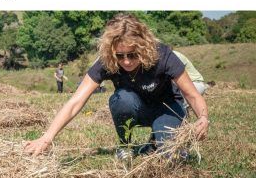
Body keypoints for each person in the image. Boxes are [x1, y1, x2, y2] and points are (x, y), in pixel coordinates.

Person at [24, 14, 209, 160]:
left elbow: (192, 94)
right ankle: (125, 146)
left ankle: (156, 141)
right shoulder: (107, 61)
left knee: (171, 156)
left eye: (132, 54)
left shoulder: (162, 55)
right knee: (122, 99)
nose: (126, 61)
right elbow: (76, 101)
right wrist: (47, 137)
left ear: (143, 47)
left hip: (167, 108)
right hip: (136, 107)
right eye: (120, 56)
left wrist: (203, 117)